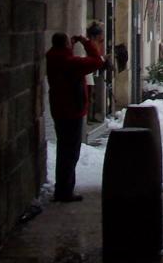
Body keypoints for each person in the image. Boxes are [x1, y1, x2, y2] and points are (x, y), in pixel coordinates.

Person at [46, 32, 105, 202]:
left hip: (59, 109)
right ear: (66, 45)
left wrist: (70, 46)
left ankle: (62, 188)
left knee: (64, 149)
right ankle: (64, 190)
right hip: (72, 111)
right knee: (70, 152)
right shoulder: (70, 63)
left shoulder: (53, 58)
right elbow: (97, 60)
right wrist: (85, 42)